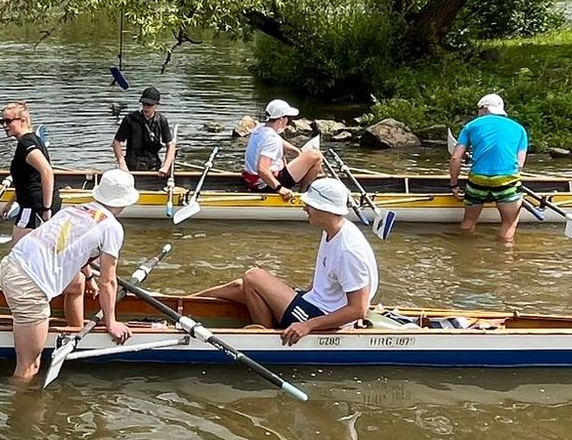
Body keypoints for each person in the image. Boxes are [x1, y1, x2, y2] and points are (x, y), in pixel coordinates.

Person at [195, 178, 377, 346]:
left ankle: (263, 338)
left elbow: (358, 310)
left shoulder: (348, 250)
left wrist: (307, 325)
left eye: (310, 204)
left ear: (326, 209)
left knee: (253, 276)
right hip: (313, 303)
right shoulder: (332, 230)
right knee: (240, 286)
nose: (305, 208)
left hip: (319, 315)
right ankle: (182, 303)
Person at [0, 169, 140, 381]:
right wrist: (111, 323)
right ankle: (18, 403)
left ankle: (75, 332)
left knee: (77, 283)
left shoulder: (75, 210)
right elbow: (108, 281)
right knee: (29, 367)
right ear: (125, 201)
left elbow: (70, 248)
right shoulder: (112, 227)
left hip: (10, 265)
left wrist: (89, 277)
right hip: (29, 287)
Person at [448, 93, 531, 244]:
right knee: (509, 223)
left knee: (468, 222)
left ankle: (464, 251)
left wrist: (454, 185)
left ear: (485, 109)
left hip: (478, 179)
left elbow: (455, 158)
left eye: (478, 109)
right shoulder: (519, 129)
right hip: (506, 179)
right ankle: (503, 261)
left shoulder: (471, 126)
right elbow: (519, 164)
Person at [243, 99, 324, 197]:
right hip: (266, 185)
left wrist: (298, 152)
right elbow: (262, 169)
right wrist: (279, 188)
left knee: (309, 157)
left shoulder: (261, 129)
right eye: (289, 119)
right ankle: (303, 193)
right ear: (281, 119)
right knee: (317, 156)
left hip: (255, 181)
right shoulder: (271, 139)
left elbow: (283, 143)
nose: (289, 122)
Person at [2, 101, 56, 240]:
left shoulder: (26, 144)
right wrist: (10, 203)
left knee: (19, 252)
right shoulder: (34, 139)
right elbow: (26, 179)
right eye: (2, 121)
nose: (4, 125)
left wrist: (46, 209)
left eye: (8, 121)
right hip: (35, 204)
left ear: (23, 120)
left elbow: (47, 171)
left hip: (33, 207)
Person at [112, 86, 178, 175]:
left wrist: (165, 166)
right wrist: (122, 163)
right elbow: (117, 142)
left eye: (150, 105)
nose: (146, 108)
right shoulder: (130, 119)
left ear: (156, 105)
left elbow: (170, 145)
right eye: (144, 104)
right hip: (131, 167)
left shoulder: (162, 121)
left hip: (153, 167)